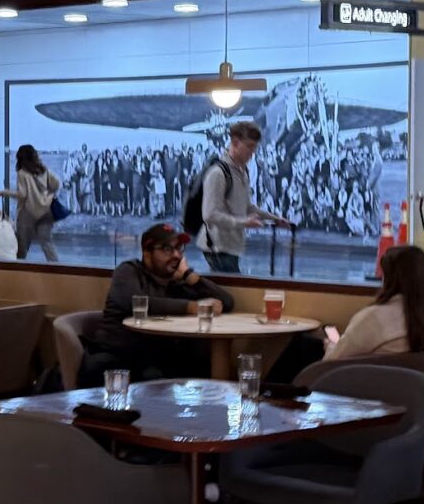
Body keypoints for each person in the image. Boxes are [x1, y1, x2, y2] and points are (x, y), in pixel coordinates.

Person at [83, 223, 232, 383]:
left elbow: (227, 302)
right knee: (155, 375)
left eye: (179, 248)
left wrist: (190, 275)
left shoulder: (177, 282)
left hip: (157, 358)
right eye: (167, 249)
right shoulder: (129, 271)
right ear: (147, 253)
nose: (176, 255)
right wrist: (192, 307)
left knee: (201, 369)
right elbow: (134, 302)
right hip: (117, 355)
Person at [325, 245, 424, 360]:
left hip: (367, 378)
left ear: (390, 279)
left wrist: (331, 346)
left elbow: (331, 361)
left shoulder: (373, 319)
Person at [199, 121, 286, 275]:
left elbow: (247, 206)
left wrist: (274, 218)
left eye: (254, 148)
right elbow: (210, 215)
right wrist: (244, 222)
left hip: (232, 245)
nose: (252, 153)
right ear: (235, 143)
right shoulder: (218, 173)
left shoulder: (243, 172)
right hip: (217, 247)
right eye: (249, 147)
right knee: (233, 285)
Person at [0, 144, 62, 262]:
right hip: (45, 213)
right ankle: (57, 269)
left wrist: (4, 192)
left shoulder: (22, 173)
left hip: (28, 214)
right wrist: (48, 195)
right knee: (47, 244)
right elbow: (57, 184)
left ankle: (18, 271)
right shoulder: (43, 170)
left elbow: (23, 194)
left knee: (22, 247)